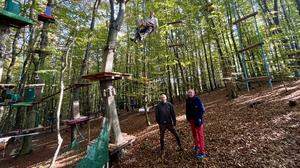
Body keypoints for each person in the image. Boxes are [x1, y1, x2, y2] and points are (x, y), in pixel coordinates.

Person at [186, 89, 207, 159]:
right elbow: (187, 110)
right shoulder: (187, 100)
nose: (190, 93)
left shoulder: (197, 99)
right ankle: (197, 145)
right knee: (194, 134)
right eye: (189, 92)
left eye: (191, 92)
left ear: (194, 93)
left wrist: (199, 118)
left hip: (198, 120)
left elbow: (202, 110)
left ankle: (202, 152)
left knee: (200, 135)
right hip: (191, 120)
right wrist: (188, 118)